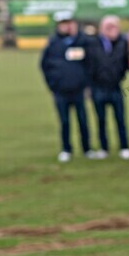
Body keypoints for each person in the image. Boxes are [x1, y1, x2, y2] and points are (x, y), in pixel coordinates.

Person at [40, 13, 95, 162]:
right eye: (63, 23)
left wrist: (87, 85)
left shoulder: (81, 41)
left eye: (69, 23)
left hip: (78, 90)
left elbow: (90, 63)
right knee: (64, 121)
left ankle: (87, 148)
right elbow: (44, 66)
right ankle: (66, 149)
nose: (67, 26)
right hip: (61, 91)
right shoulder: (53, 43)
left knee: (83, 120)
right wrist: (53, 85)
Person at [88, 15, 129, 159]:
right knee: (101, 120)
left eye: (114, 26)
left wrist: (120, 75)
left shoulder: (123, 43)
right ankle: (103, 148)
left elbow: (126, 62)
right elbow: (88, 64)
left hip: (115, 87)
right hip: (98, 88)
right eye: (108, 27)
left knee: (120, 118)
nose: (111, 29)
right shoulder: (93, 43)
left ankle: (124, 147)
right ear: (102, 28)